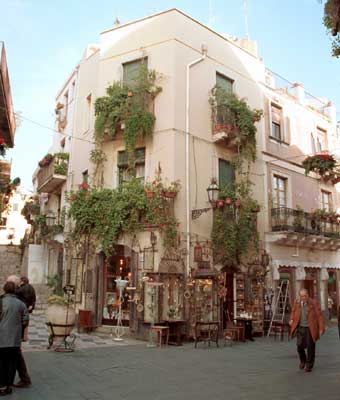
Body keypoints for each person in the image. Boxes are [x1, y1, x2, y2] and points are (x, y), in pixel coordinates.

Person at [0, 281, 29, 396]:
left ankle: (2, 387)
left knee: (1, 363)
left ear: (4, 289)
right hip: (15, 340)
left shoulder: (1, 302)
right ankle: (9, 386)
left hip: (1, 339)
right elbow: (25, 320)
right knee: (12, 363)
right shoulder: (21, 304)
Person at [289, 289, 325, 373]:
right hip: (301, 327)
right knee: (299, 346)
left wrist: (321, 328)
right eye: (302, 296)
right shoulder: (297, 302)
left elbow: (319, 316)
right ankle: (303, 360)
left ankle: (309, 365)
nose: (304, 297)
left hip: (310, 328)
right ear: (300, 296)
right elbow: (293, 311)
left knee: (310, 347)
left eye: (305, 295)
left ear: (308, 295)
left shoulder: (313, 303)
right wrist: (291, 319)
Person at [6, 275, 32, 388]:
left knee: (14, 356)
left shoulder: (17, 298)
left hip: (11, 333)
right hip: (13, 333)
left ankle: (21, 379)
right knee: (16, 356)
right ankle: (24, 378)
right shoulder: (18, 297)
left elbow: (23, 317)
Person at [16, 276, 36, 341]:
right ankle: (24, 337)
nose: (19, 282)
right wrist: (32, 306)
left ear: (22, 281)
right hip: (28, 307)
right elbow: (34, 298)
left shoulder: (21, 288)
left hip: (21, 307)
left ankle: (21, 337)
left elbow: (16, 294)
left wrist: (17, 286)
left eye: (20, 281)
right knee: (25, 322)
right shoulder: (31, 287)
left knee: (20, 322)